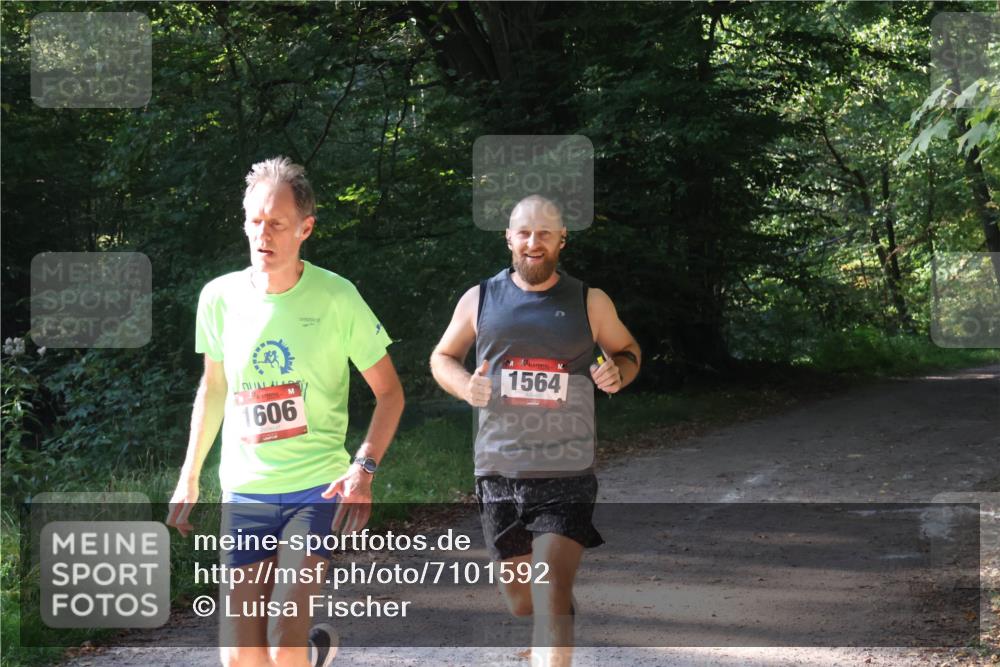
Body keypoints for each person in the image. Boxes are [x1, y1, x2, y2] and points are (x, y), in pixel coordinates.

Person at [167, 157, 404, 667]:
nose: (263, 233)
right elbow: (213, 390)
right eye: (255, 220)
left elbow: (390, 394)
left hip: (314, 487)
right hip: (245, 489)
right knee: (240, 658)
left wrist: (362, 469)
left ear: (305, 228)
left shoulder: (338, 297)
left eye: (276, 223)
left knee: (281, 639)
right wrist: (189, 478)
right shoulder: (219, 298)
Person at [429, 195, 640, 667]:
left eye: (545, 233)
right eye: (524, 232)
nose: (533, 242)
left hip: (566, 470)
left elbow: (627, 350)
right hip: (498, 471)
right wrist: (466, 386)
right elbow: (442, 357)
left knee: (549, 588)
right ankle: (554, 614)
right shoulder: (480, 298)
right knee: (522, 601)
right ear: (508, 238)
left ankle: (555, 620)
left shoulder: (590, 300)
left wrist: (618, 372)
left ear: (562, 240)